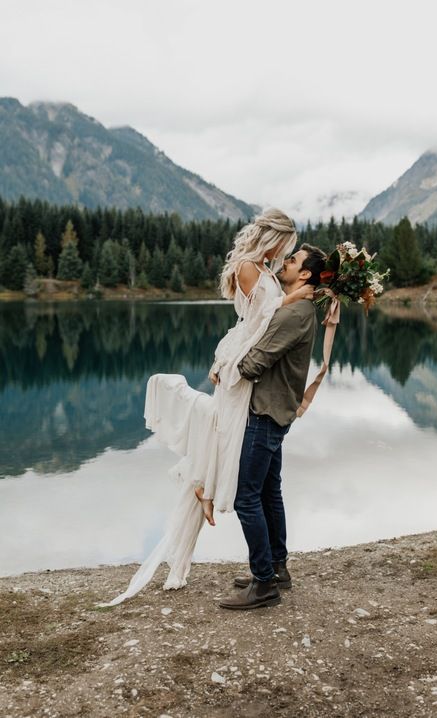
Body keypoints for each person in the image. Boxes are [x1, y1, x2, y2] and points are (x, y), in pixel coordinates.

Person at [96, 208, 315, 607]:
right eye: (288, 246)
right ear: (275, 238)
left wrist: (295, 296)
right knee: (243, 464)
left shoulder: (265, 272)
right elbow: (261, 323)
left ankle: (266, 574)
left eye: (293, 254)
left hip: (254, 384)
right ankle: (263, 564)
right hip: (242, 371)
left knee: (255, 485)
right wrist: (296, 296)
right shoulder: (250, 267)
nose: (288, 255)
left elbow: (271, 319)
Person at [218, 243, 326, 610]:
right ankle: (276, 568)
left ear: (306, 274)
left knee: (246, 496)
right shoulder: (299, 307)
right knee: (267, 491)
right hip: (276, 411)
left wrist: (226, 364)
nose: (285, 262)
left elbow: (253, 363)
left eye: (293, 260)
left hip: (265, 413)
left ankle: (264, 583)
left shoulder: (294, 312)